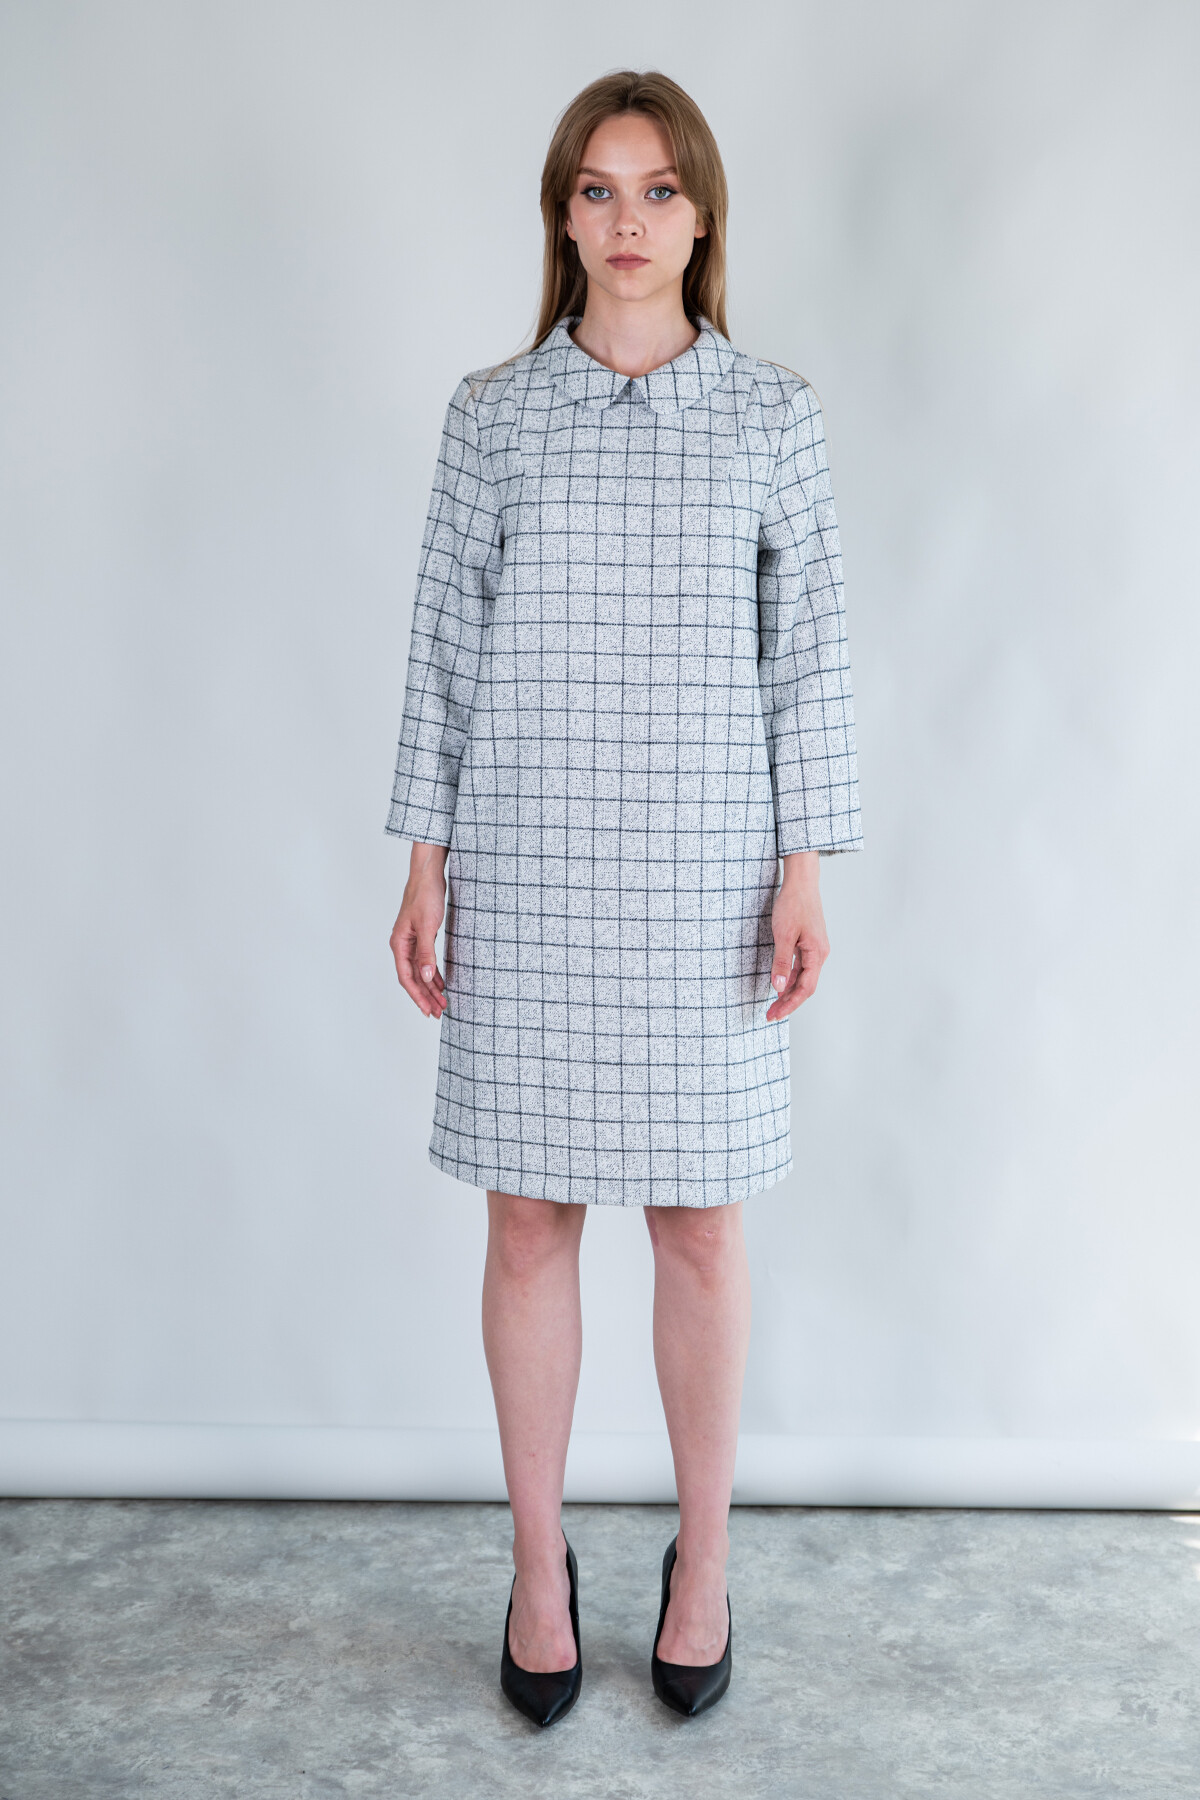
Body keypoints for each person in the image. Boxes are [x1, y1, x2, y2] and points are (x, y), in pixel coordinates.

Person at [386, 69, 862, 1726]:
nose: (628, 219)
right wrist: (424, 857)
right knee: (528, 1217)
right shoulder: (492, 416)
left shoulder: (772, 416)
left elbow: (810, 658)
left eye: (658, 190)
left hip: (710, 872)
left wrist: (804, 866)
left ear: (703, 215)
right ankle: (539, 1567)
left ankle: (702, 1562)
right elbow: (443, 647)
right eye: (597, 190)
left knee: (701, 1222)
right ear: (563, 217)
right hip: (522, 863)